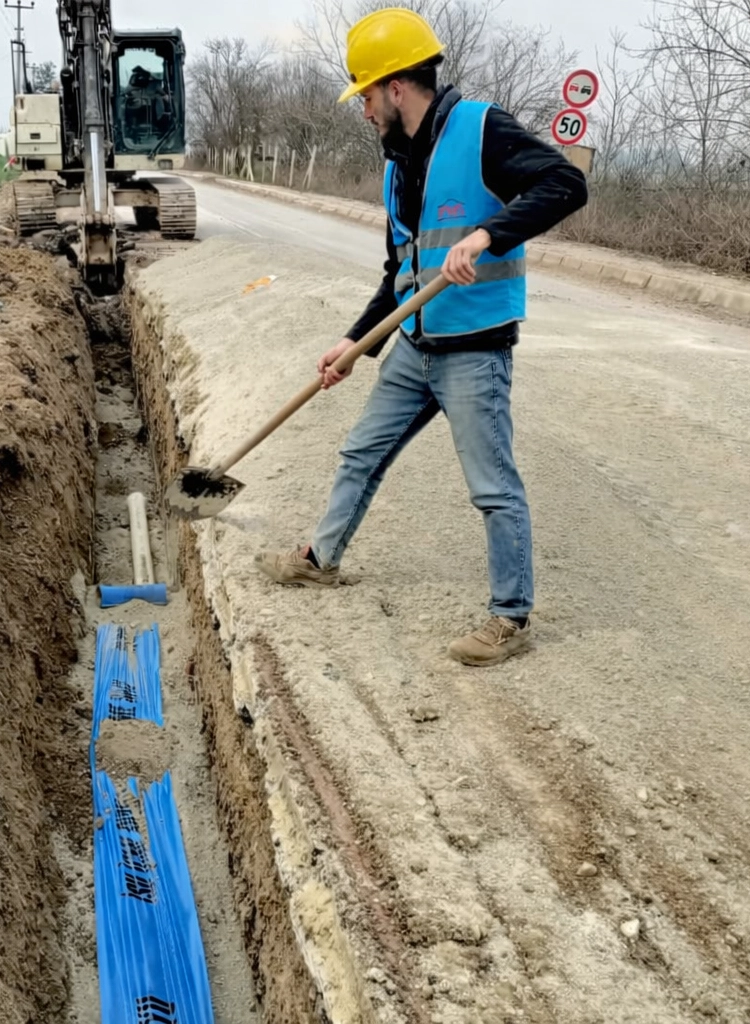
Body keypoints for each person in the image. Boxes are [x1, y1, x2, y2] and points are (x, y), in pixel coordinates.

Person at [254, 7, 588, 667]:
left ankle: (510, 618)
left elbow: (566, 183)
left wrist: (489, 233)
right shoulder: (396, 165)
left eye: (367, 96)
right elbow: (400, 273)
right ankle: (321, 558)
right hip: (413, 344)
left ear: (396, 87)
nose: (365, 110)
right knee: (360, 453)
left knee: (492, 486)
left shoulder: (481, 129)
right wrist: (354, 344)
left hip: (473, 349)